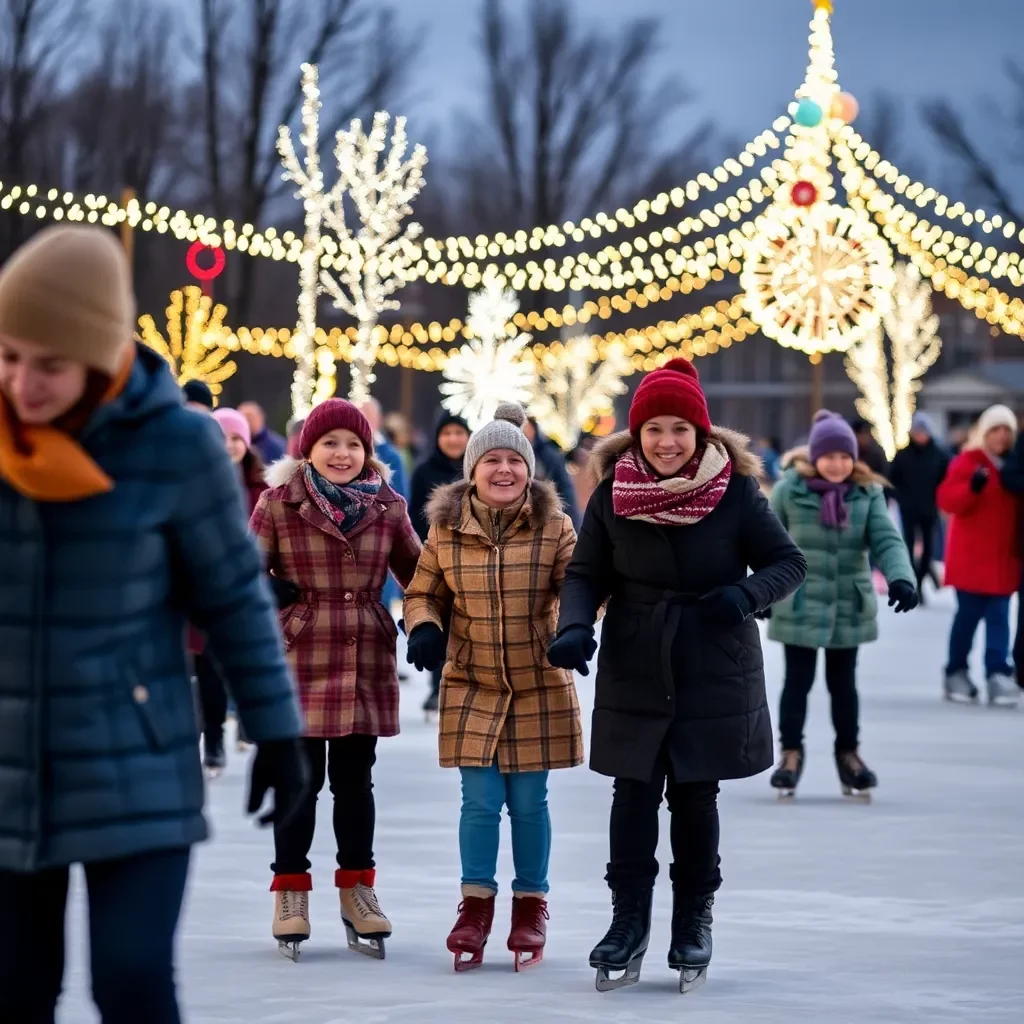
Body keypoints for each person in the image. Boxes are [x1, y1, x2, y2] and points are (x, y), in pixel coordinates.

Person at [0, 225, 307, 1023]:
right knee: (13, 988)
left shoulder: (175, 447)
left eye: (52, 364)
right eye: (8, 357)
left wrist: (276, 730)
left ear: (101, 357)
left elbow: (234, 597)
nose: (25, 384)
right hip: (8, 761)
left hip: (132, 754)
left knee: (131, 982)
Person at [549, 359, 806, 994]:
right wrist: (575, 625)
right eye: (655, 429)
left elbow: (787, 562)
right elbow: (586, 573)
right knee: (632, 792)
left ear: (701, 433)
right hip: (636, 654)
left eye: (680, 429)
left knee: (695, 794)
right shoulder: (612, 493)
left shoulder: (738, 489)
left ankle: (694, 918)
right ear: (636, 435)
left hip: (712, 657)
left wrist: (743, 598)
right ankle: (627, 919)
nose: (667, 442)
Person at [403, 402, 582, 973]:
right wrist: (425, 625)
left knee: (530, 803)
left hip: (538, 680)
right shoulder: (446, 527)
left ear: (529, 469)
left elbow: (581, 584)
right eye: (492, 460)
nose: (503, 470)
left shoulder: (554, 524)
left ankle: (531, 904)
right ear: (471, 468)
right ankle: (475, 905)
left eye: (514, 461)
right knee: (480, 802)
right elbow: (421, 590)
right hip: (473, 679)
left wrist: (575, 626)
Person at [250, 398, 422, 960]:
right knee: (299, 782)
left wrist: (424, 625)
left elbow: (419, 576)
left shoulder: (389, 506)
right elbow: (241, 567)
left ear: (368, 452)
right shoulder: (278, 504)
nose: (342, 454)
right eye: (330, 444)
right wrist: (265, 589)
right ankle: (290, 892)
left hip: (363, 650)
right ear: (308, 450)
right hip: (299, 651)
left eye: (353, 445)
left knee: (355, 780)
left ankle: (357, 889)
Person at [767, 411, 918, 801]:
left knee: (843, 686)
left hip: (846, 604)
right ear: (814, 456)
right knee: (796, 684)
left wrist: (902, 576)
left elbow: (887, 540)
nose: (838, 464)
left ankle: (849, 755)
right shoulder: (789, 491)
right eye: (830, 456)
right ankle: (790, 754)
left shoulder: (866, 494)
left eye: (845, 457)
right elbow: (764, 542)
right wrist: (761, 590)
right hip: (798, 601)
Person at [192, 407, 269, 775]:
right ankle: (214, 738)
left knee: (247, 663)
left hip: (251, 590)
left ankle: (247, 721)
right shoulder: (195, 482)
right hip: (207, 590)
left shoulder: (262, 487)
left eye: (237, 438)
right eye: (222, 437)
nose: (230, 445)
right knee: (208, 669)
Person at [937, 404, 1020, 707]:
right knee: (967, 619)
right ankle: (956, 670)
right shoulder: (968, 462)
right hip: (971, 560)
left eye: (1006, 430)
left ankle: (997, 672)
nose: (1000, 436)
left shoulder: (1014, 466)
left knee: (999, 619)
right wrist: (973, 488)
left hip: (1002, 560)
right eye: (995, 430)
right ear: (984, 433)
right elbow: (947, 499)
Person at [408, 410, 472, 716]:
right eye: (447, 433)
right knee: (439, 618)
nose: (453, 439)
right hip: (436, 554)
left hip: (473, 555)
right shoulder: (424, 471)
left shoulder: (477, 469)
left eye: (459, 433)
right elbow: (415, 516)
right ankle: (439, 685)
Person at [889, 412, 949, 602]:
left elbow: (946, 481)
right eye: (917, 431)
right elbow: (892, 481)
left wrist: (940, 501)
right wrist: (901, 499)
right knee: (907, 546)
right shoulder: (902, 455)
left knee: (929, 550)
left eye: (923, 431)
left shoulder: (939, 456)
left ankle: (922, 580)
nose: (920, 435)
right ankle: (912, 582)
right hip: (908, 510)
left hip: (930, 509)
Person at [523, 415, 580, 528]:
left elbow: (566, 491)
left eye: (526, 427)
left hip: (547, 516)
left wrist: (574, 525)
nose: (524, 432)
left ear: (534, 429)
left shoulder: (550, 455)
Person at [240, 400, 287, 464]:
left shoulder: (276, 445)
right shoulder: (237, 445)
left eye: (250, 417)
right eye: (242, 418)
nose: (246, 422)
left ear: (260, 418)